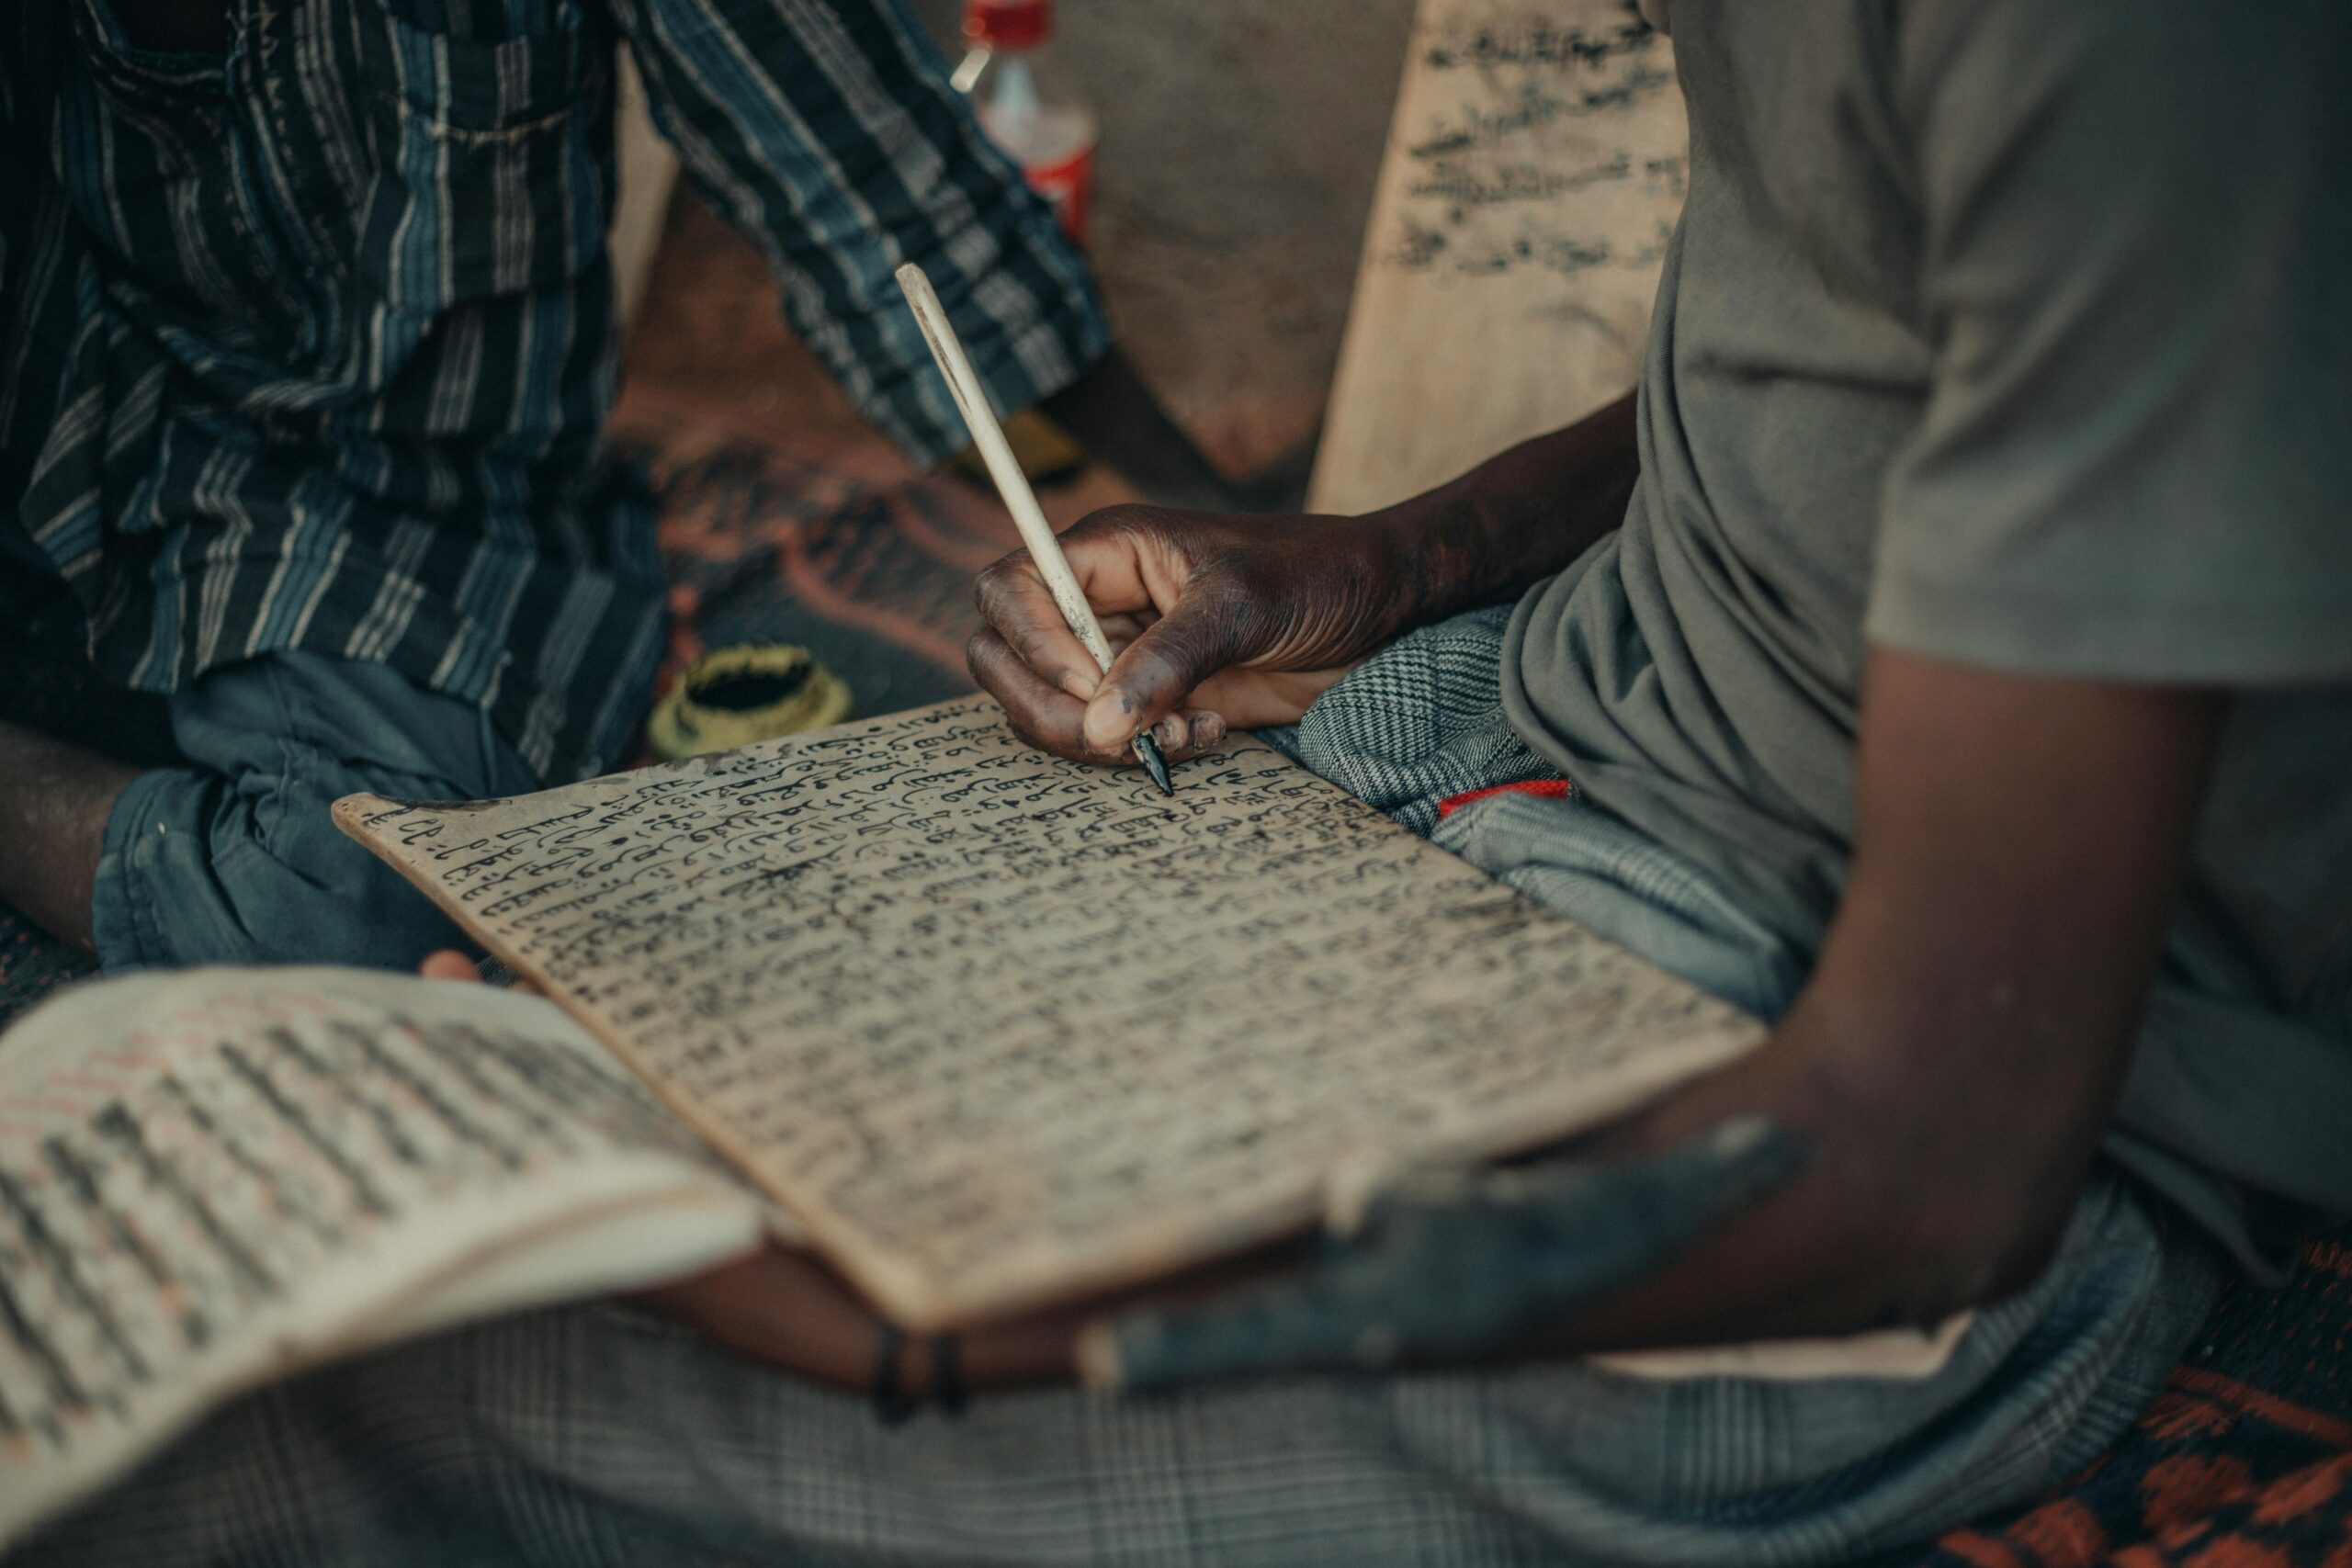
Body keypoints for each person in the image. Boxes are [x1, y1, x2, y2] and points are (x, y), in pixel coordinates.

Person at [19, 1, 2352, 1565]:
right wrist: (1370, 559)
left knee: (304, 1387)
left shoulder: (2139, 65)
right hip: (1459, 744)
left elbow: (1928, 1169)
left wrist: (959, 1319)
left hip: (1806, 1126)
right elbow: (1854, 353)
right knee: (552, 1009)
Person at [0, 0, 1219, 977]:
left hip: (388, 511)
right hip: (56, 419)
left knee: (377, 903)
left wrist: (1225, 533)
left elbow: (888, 189)